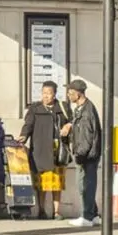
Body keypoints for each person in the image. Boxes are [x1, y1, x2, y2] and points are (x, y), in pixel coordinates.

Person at [20, 81, 72, 220]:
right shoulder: (35, 108)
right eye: (44, 93)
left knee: (57, 183)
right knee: (41, 183)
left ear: (54, 94)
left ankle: (56, 211)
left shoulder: (62, 107)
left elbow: (73, 120)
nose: (46, 96)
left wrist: (68, 126)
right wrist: (23, 136)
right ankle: (41, 209)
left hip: (57, 150)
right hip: (40, 150)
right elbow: (28, 125)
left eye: (49, 93)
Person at [63, 79, 101, 227]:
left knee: (85, 185)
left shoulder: (86, 112)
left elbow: (86, 137)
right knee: (86, 184)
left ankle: (87, 217)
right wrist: (70, 125)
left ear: (78, 94)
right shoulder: (81, 109)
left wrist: (79, 155)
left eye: (70, 92)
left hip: (87, 155)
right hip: (87, 154)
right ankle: (94, 215)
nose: (68, 95)